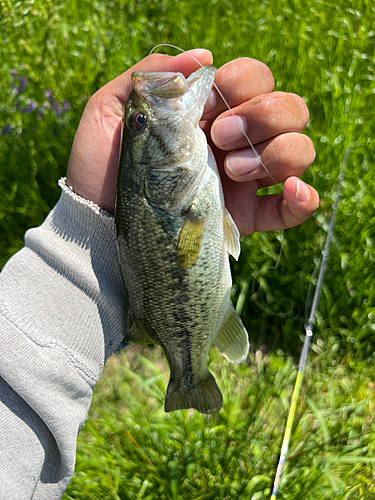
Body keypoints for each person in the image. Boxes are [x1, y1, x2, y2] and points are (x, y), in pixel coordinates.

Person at [0, 49, 319, 499]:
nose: (143, 114)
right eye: (140, 125)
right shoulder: (173, 187)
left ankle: (186, 372)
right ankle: (189, 375)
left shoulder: (177, 183)